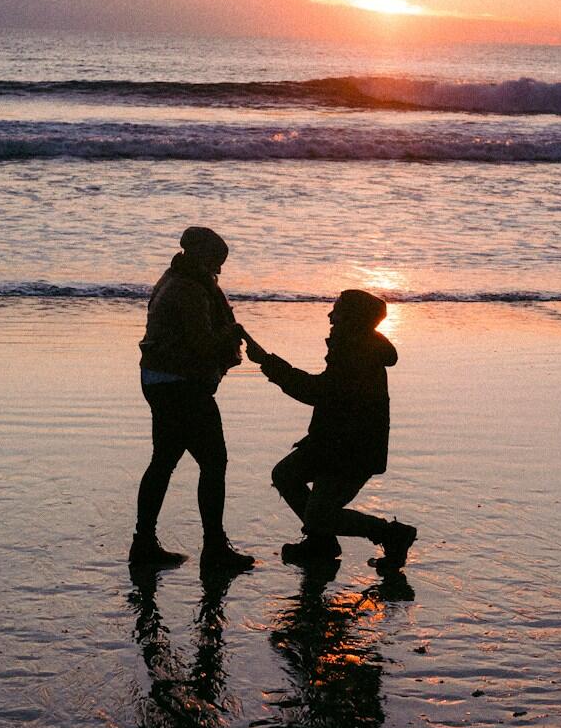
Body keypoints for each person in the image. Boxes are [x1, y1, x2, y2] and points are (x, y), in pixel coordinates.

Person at [244, 289, 417, 570]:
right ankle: (320, 543)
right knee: (286, 475)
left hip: (351, 450)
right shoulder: (352, 345)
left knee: (320, 515)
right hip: (330, 442)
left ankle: (392, 534)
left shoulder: (358, 352)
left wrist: (267, 362)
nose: (330, 315)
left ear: (351, 318)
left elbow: (318, 392)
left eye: (336, 309)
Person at [132, 227, 254, 572]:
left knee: (164, 460)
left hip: (159, 378)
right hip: (180, 384)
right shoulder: (189, 290)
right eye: (216, 262)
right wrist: (232, 334)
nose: (218, 270)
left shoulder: (173, 279)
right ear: (201, 257)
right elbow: (203, 344)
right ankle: (214, 548)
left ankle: (143, 543)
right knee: (214, 463)